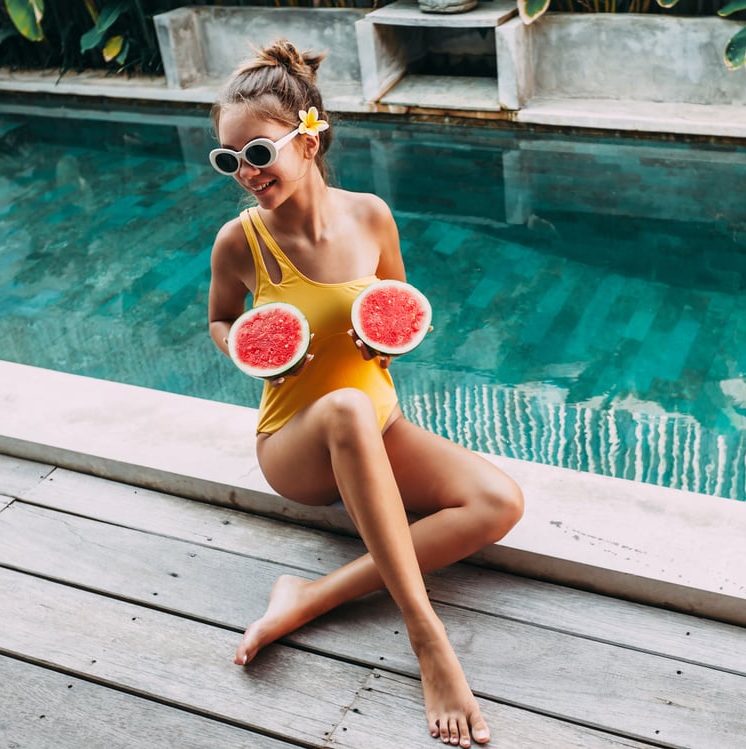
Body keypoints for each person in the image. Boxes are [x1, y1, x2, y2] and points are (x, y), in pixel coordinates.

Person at [205, 39, 524, 748]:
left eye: (257, 154)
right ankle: (427, 637)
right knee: (346, 408)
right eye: (228, 161)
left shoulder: (374, 215)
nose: (245, 175)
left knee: (500, 502)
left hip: (378, 422)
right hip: (297, 446)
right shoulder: (240, 242)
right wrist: (246, 351)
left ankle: (308, 595)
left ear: (309, 135)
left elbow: (399, 299)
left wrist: (390, 337)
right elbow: (220, 319)